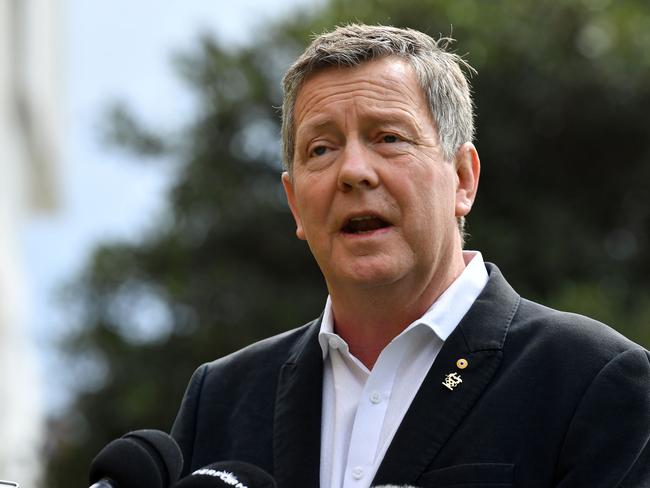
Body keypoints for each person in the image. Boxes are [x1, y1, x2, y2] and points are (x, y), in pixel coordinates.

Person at [171, 24, 650, 488]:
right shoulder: (221, 397)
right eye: (321, 148)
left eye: (389, 138)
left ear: (463, 179)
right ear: (295, 202)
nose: (353, 171)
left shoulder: (592, 378)